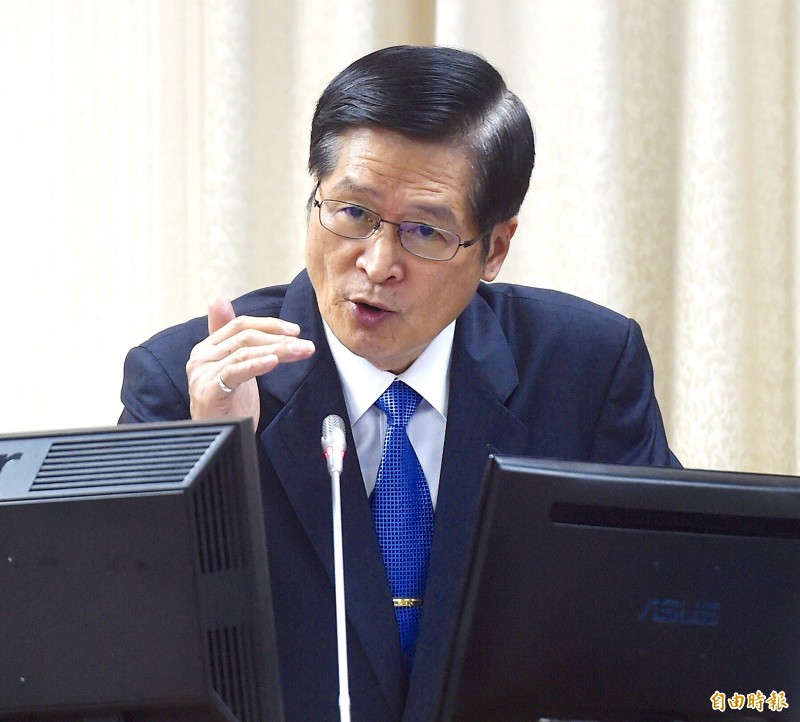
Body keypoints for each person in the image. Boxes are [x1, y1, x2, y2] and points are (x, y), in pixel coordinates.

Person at [119, 45, 680, 722]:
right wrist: (215, 462)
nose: (378, 264)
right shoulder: (187, 381)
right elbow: (125, 678)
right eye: (353, 214)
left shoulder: (584, 368)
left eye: (424, 231)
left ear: (495, 247)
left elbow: (667, 634)